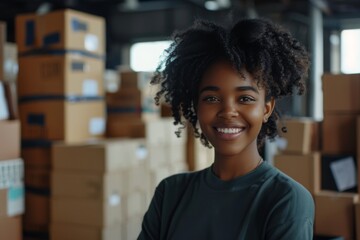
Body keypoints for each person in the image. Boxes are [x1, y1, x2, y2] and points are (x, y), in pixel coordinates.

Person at [138, 17, 314, 240]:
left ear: (266, 109)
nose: (228, 111)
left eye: (245, 98)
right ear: (197, 106)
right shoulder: (170, 194)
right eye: (211, 98)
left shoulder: (286, 199)